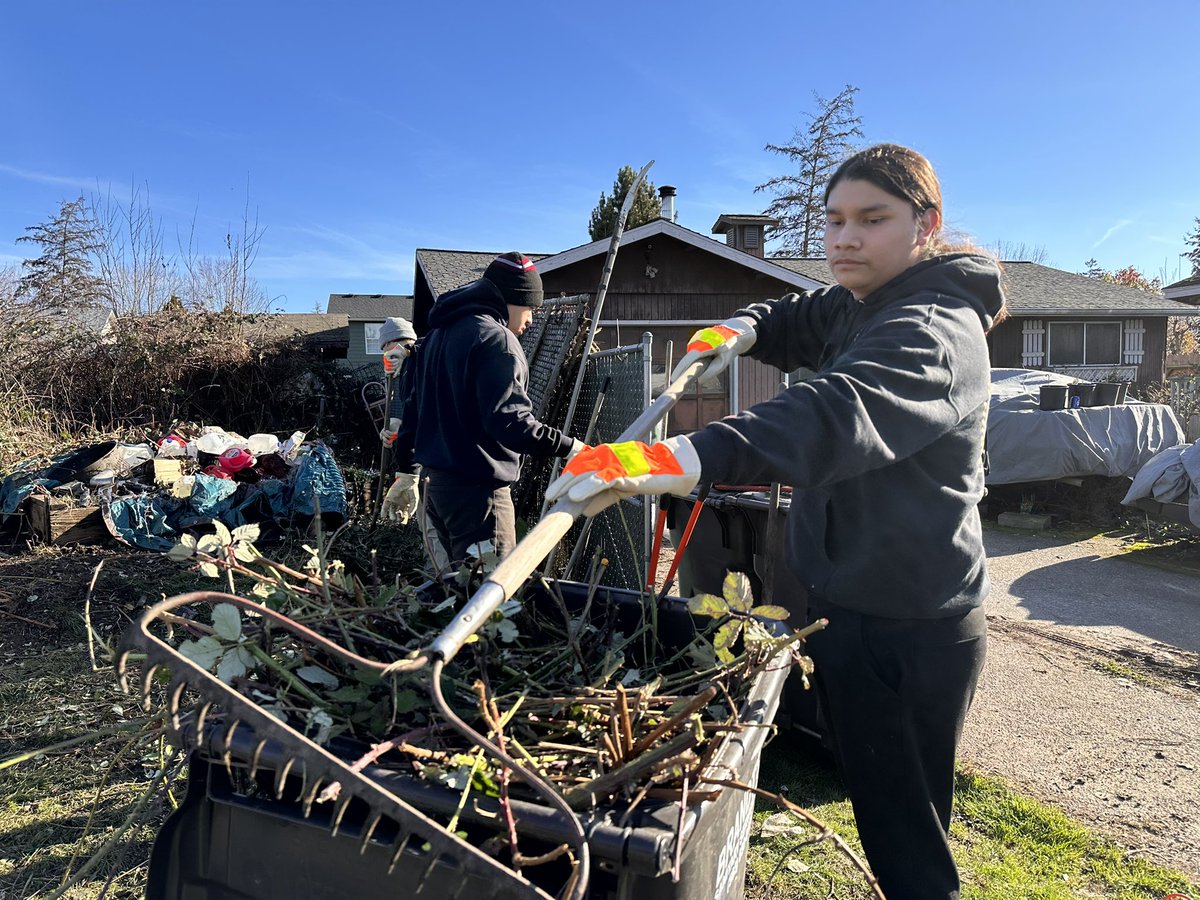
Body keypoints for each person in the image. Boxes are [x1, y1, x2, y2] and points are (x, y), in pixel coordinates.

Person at [547, 144, 1006, 900]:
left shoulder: (935, 328)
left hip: (912, 623)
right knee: (886, 811)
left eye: (872, 219)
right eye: (833, 221)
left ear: (927, 225)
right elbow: (793, 313)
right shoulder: (860, 301)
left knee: (909, 838)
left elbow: (838, 413)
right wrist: (740, 329)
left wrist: (680, 456)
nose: (844, 239)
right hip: (851, 601)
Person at [393, 252, 582, 566]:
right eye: (530, 307)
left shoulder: (438, 337)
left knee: (456, 586)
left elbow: (413, 410)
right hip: (479, 496)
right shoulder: (497, 341)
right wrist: (571, 447)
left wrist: (406, 472)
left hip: (437, 490)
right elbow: (510, 424)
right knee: (490, 597)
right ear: (512, 298)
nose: (531, 319)